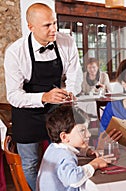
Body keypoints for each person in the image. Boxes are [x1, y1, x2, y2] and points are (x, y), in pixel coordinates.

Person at [4, 3, 82, 190]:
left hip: (58, 111)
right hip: (27, 114)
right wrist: (44, 97)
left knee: (66, 156)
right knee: (30, 164)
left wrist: (70, 93)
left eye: (55, 23)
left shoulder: (67, 42)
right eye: (47, 25)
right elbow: (14, 96)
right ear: (30, 27)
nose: (54, 29)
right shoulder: (15, 52)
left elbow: (75, 75)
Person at [36, 105, 115, 191]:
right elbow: (73, 179)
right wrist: (95, 164)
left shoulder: (53, 148)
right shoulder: (66, 156)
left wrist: (85, 151)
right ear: (64, 137)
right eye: (82, 131)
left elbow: (68, 150)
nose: (89, 134)